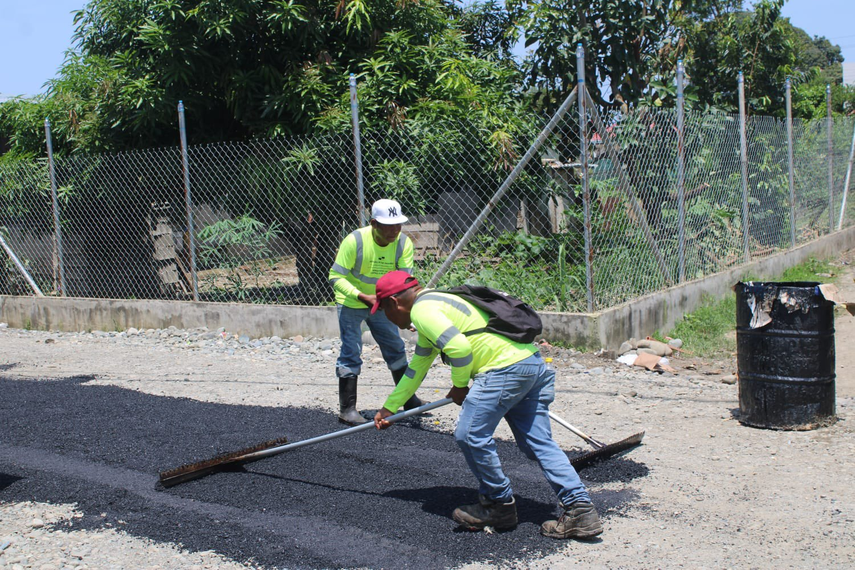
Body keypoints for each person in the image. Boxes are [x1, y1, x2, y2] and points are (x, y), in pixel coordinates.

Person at [371, 271, 602, 539]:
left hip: (502, 370)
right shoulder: (439, 302)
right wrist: (390, 408)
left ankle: (498, 505)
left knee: (470, 435)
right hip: (531, 364)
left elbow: (459, 349)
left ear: (394, 302)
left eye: (384, 311)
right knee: (538, 442)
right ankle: (580, 510)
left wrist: (460, 385)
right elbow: (416, 369)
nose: (387, 318)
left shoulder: (422, 310)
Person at [328, 199, 424, 425]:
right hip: (352, 302)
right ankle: (347, 410)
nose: (395, 230)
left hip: (383, 303)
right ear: (373, 224)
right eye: (389, 226)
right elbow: (335, 277)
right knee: (351, 351)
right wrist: (362, 296)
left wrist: (408, 313)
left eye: (398, 224)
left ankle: (409, 400)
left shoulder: (403, 243)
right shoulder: (355, 241)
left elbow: (404, 283)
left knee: (395, 347)